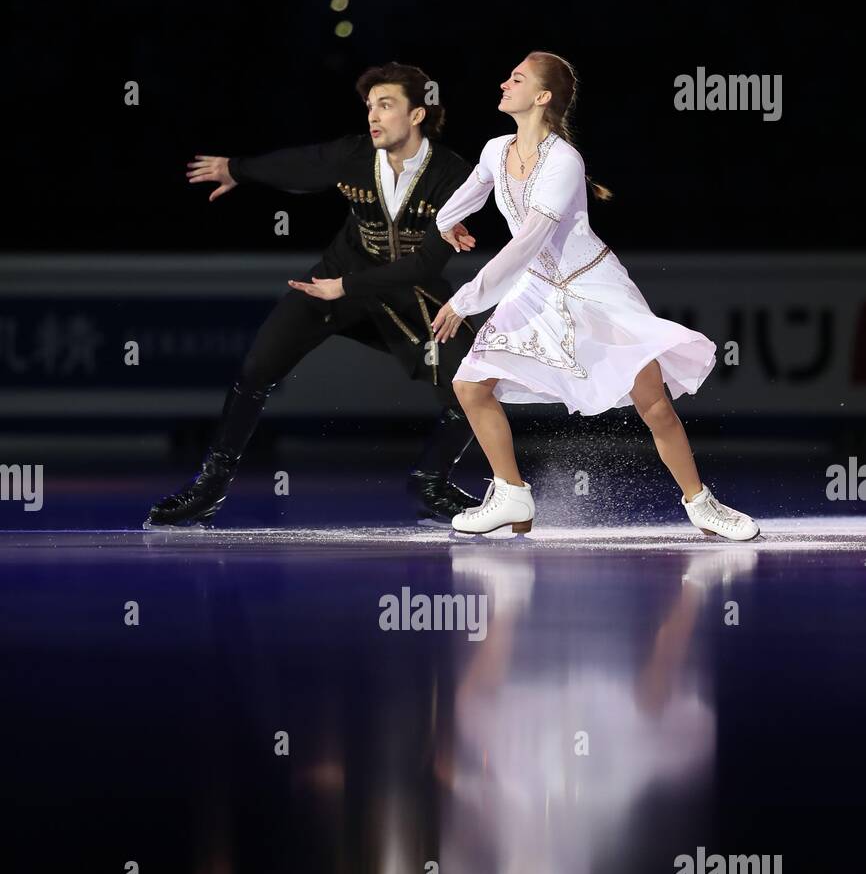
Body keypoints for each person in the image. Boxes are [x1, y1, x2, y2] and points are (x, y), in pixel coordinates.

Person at [430, 52, 760, 541]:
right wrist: (444, 221)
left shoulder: (563, 161)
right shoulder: (496, 149)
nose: (503, 83)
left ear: (542, 97)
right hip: (536, 286)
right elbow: (474, 191)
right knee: (471, 385)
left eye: (516, 78)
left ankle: (701, 503)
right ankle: (511, 492)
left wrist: (466, 298)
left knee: (653, 404)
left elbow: (527, 243)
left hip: (591, 286)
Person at [144, 62, 483, 528]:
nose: (373, 116)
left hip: (406, 294)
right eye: (369, 106)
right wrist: (237, 170)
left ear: (418, 114)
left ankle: (430, 480)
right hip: (331, 284)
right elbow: (302, 165)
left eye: (386, 105)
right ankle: (210, 487)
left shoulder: (453, 175)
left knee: (478, 379)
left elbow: (425, 265)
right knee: (256, 368)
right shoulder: (354, 155)